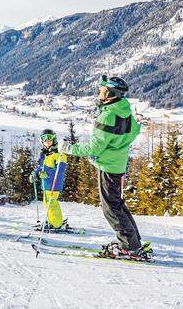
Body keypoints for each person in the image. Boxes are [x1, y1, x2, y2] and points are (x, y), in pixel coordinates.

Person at [59, 75, 152, 261]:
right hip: (116, 164)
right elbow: (134, 131)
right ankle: (134, 241)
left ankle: (129, 246)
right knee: (117, 204)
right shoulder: (124, 111)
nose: (99, 93)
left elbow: (93, 148)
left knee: (111, 208)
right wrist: (117, 146)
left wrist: (67, 148)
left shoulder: (108, 115)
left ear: (110, 94)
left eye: (102, 90)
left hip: (108, 167)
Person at [29, 128, 68, 230]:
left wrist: (48, 174)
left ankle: (57, 224)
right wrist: (35, 173)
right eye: (44, 138)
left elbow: (60, 169)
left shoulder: (59, 153)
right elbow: (40, 166)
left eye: (49, 138)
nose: (47, 141)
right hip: (46, 184)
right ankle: (52, 220)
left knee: (51, 203)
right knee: (47, 203)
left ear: (54, 139)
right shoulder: (44, 154)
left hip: (54, 183)